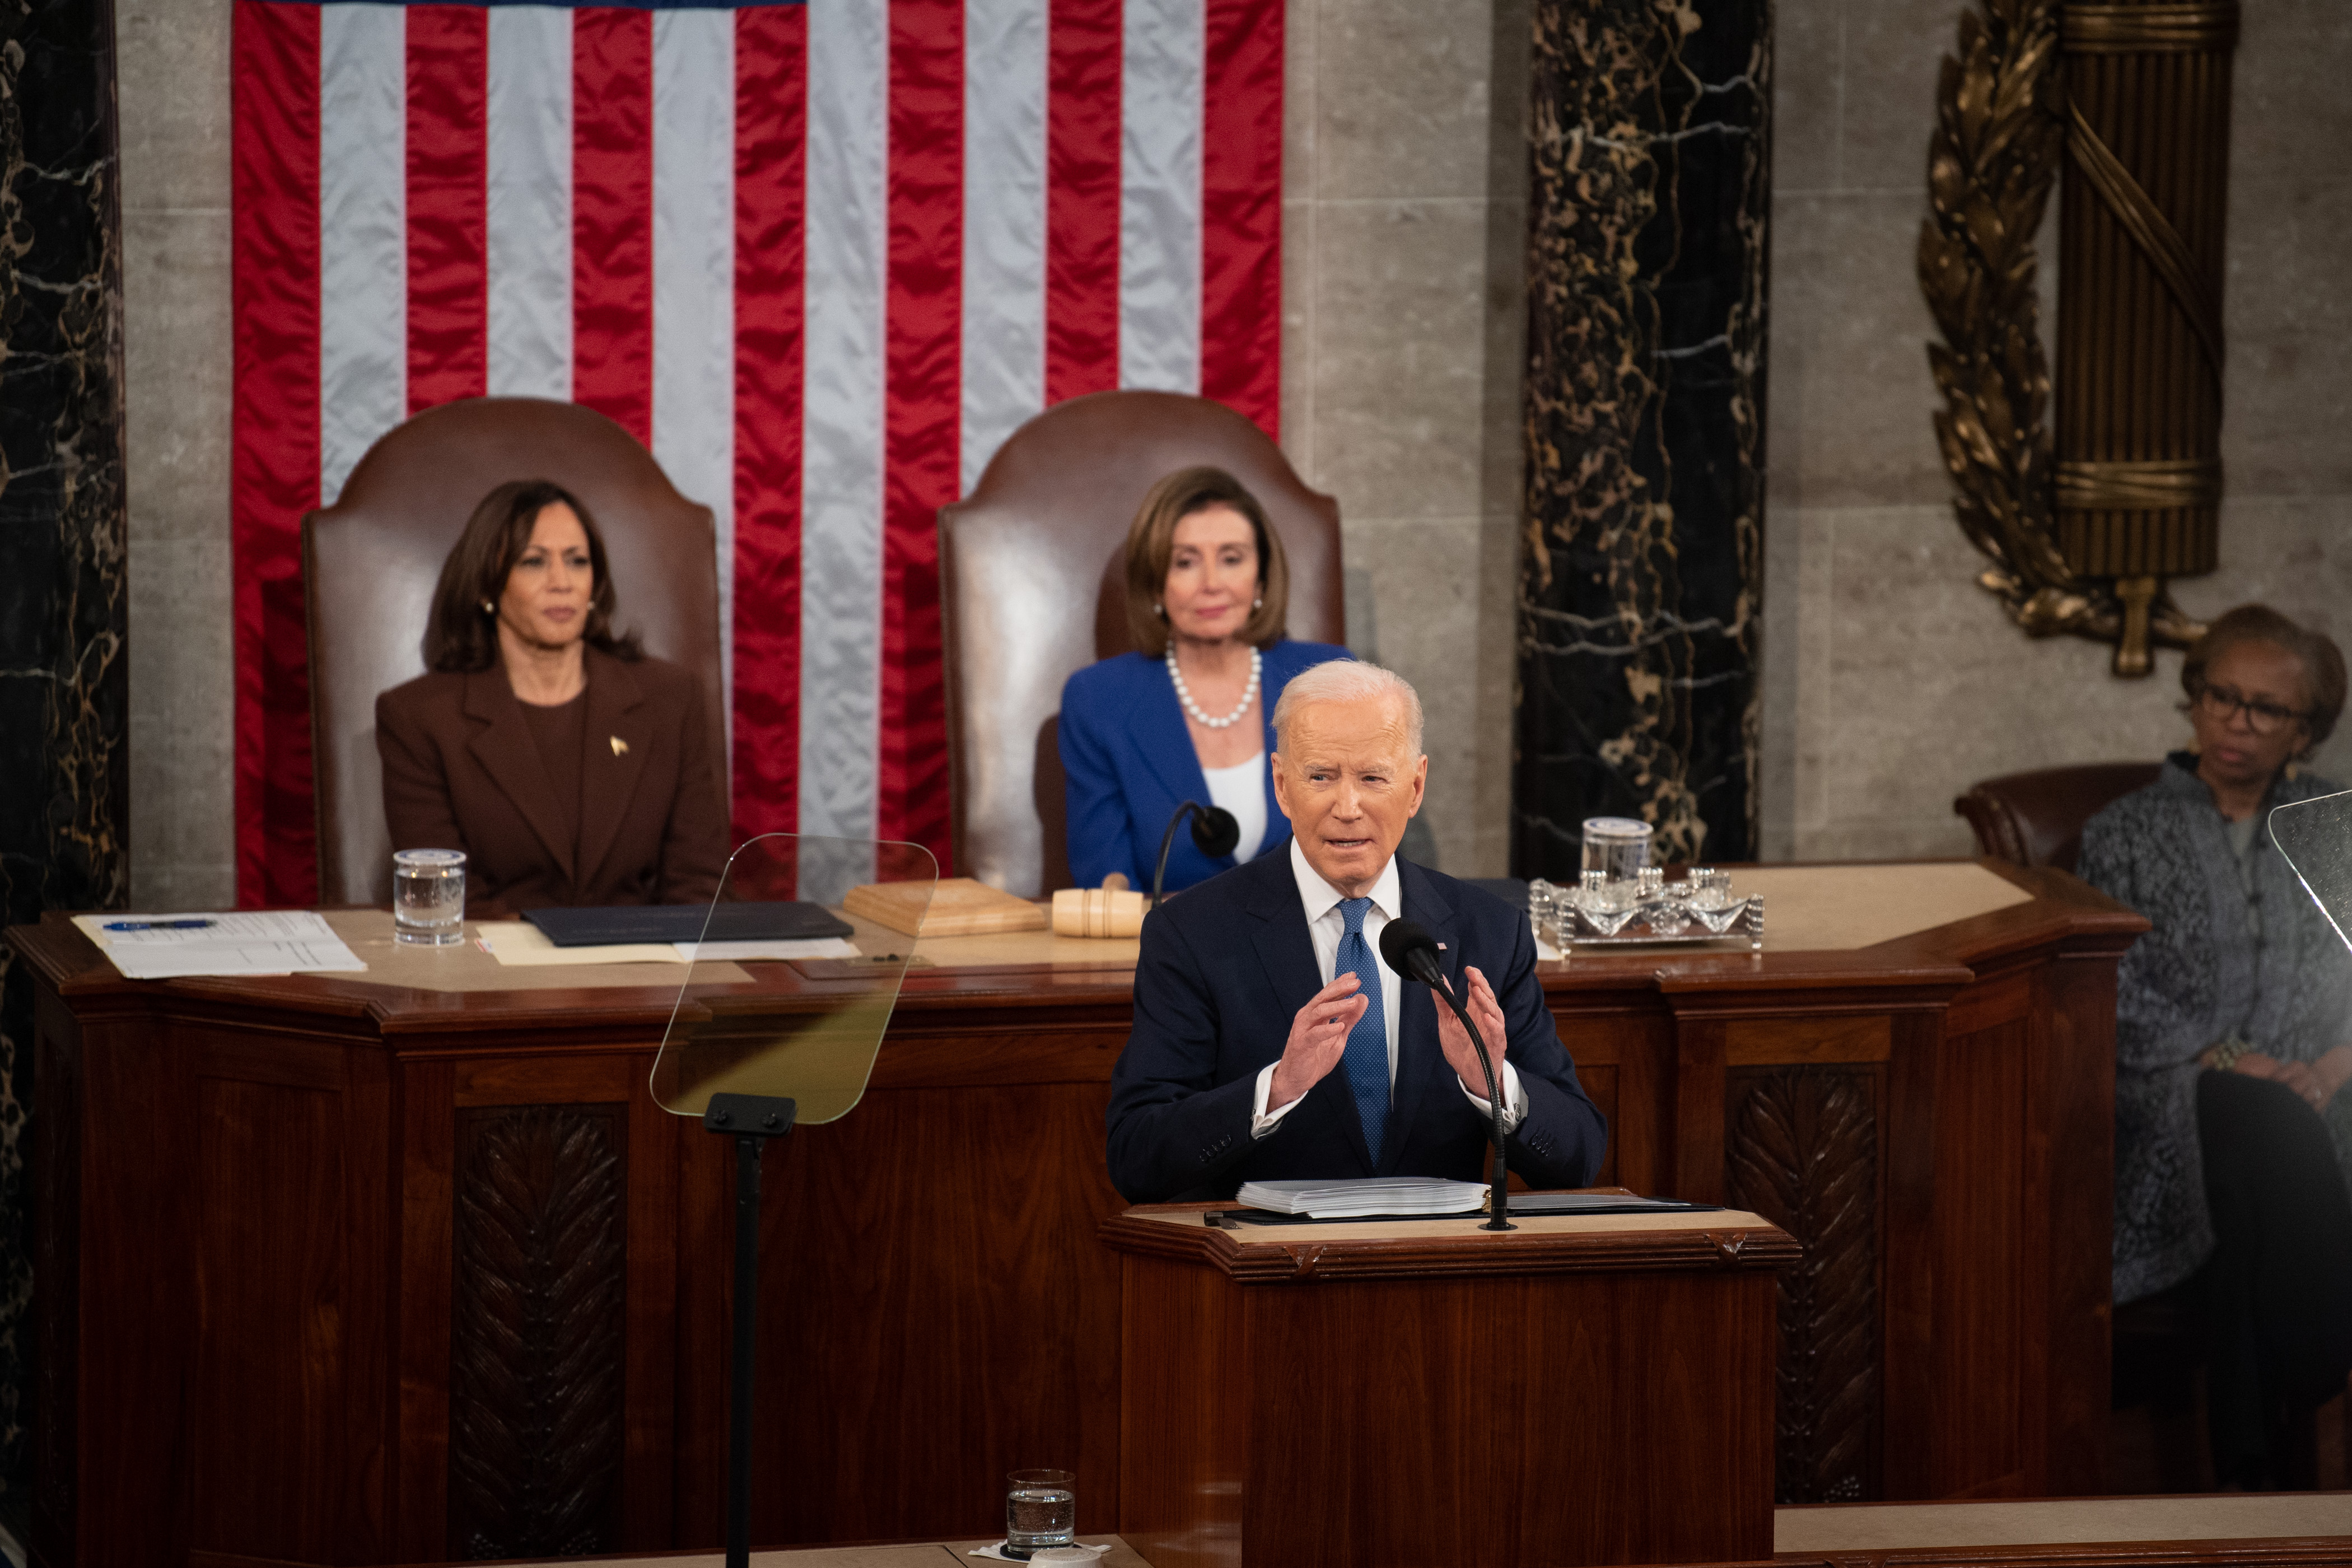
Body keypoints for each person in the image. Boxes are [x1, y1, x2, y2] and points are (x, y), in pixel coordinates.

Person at [1104, 660, 1607, 1203]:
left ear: (1415, 787)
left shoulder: (1490, 932)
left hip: (1442, 1274)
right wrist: (1276, 1089)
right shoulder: (1191, 934)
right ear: (1282, 784)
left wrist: (1492, 1082)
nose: (1348, 808)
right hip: (1268, 1275)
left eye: (1373, 778)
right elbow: (1137, 1157)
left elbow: (1578, 1156)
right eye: (1321, 776)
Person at [2078, 604, 2352, 1489]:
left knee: (2251, 1214)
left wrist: (2334, 1065)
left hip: (2325, 1083)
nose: (2238, 721)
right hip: (2178, 1085)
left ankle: (2250, 1467)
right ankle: (2319, 1378)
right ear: (2194, 701)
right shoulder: (2123, 830)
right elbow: (2105, 985)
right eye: (2222, 697)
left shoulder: (2335, 826)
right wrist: (2238, 1062)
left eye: (2267, 709)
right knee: (2259, 1132)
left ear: (2306, 731)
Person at [376, 479, 729, 909]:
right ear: (487, 586)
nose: (561, 582)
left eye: (578, 561)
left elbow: (698, 883)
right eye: (533, 562)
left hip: (646, 966)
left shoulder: (670, 699)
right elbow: (447, 901)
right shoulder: (420, 718)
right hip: (497, 969)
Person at [1058, 466, 1351, 893]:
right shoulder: (1099, 700)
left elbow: (1368, 848)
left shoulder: (1329, 680)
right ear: (1156, 586)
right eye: (1185, 563)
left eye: (1232, 559)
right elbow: (1107, 882)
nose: (1212, 584)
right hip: (1166, 951)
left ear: (1262, 579)